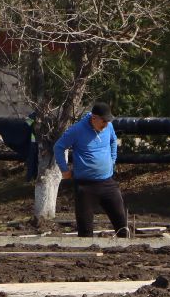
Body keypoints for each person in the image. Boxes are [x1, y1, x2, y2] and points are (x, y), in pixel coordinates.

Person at [53, 101, 130, 239]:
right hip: (85, 186)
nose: (106, 124)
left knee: (122, 225)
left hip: (107, 183)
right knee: (85, 231)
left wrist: (112, 160)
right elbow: (58, 147)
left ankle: (127, 248)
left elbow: (113, 140)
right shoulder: (77, 130)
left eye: (108, 121)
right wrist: (64, 170)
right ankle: (87, 251)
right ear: (94, 118)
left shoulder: (109, 126)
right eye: (103, 121)